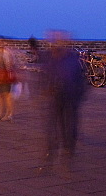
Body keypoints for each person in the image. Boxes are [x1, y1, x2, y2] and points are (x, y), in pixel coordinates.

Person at [38, 31, 88, 172]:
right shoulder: (49, 58)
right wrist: (44, 90)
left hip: (70, 99)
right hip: (54, 98)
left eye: (59, 41)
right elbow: (44, 75)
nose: (56, 43)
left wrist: (77, 97)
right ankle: (50, 156)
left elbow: (81, 80)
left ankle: (68, 154)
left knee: (69, 128)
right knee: (51, 128)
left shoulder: (73, 59)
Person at [0, 36, 19, 121]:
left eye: (0, 41)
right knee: (0, 95)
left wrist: (10, 76)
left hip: (5, 75)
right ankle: (1, 113)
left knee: (7, 94)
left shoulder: (6, 52)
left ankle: (9, 114)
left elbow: (9, 65)